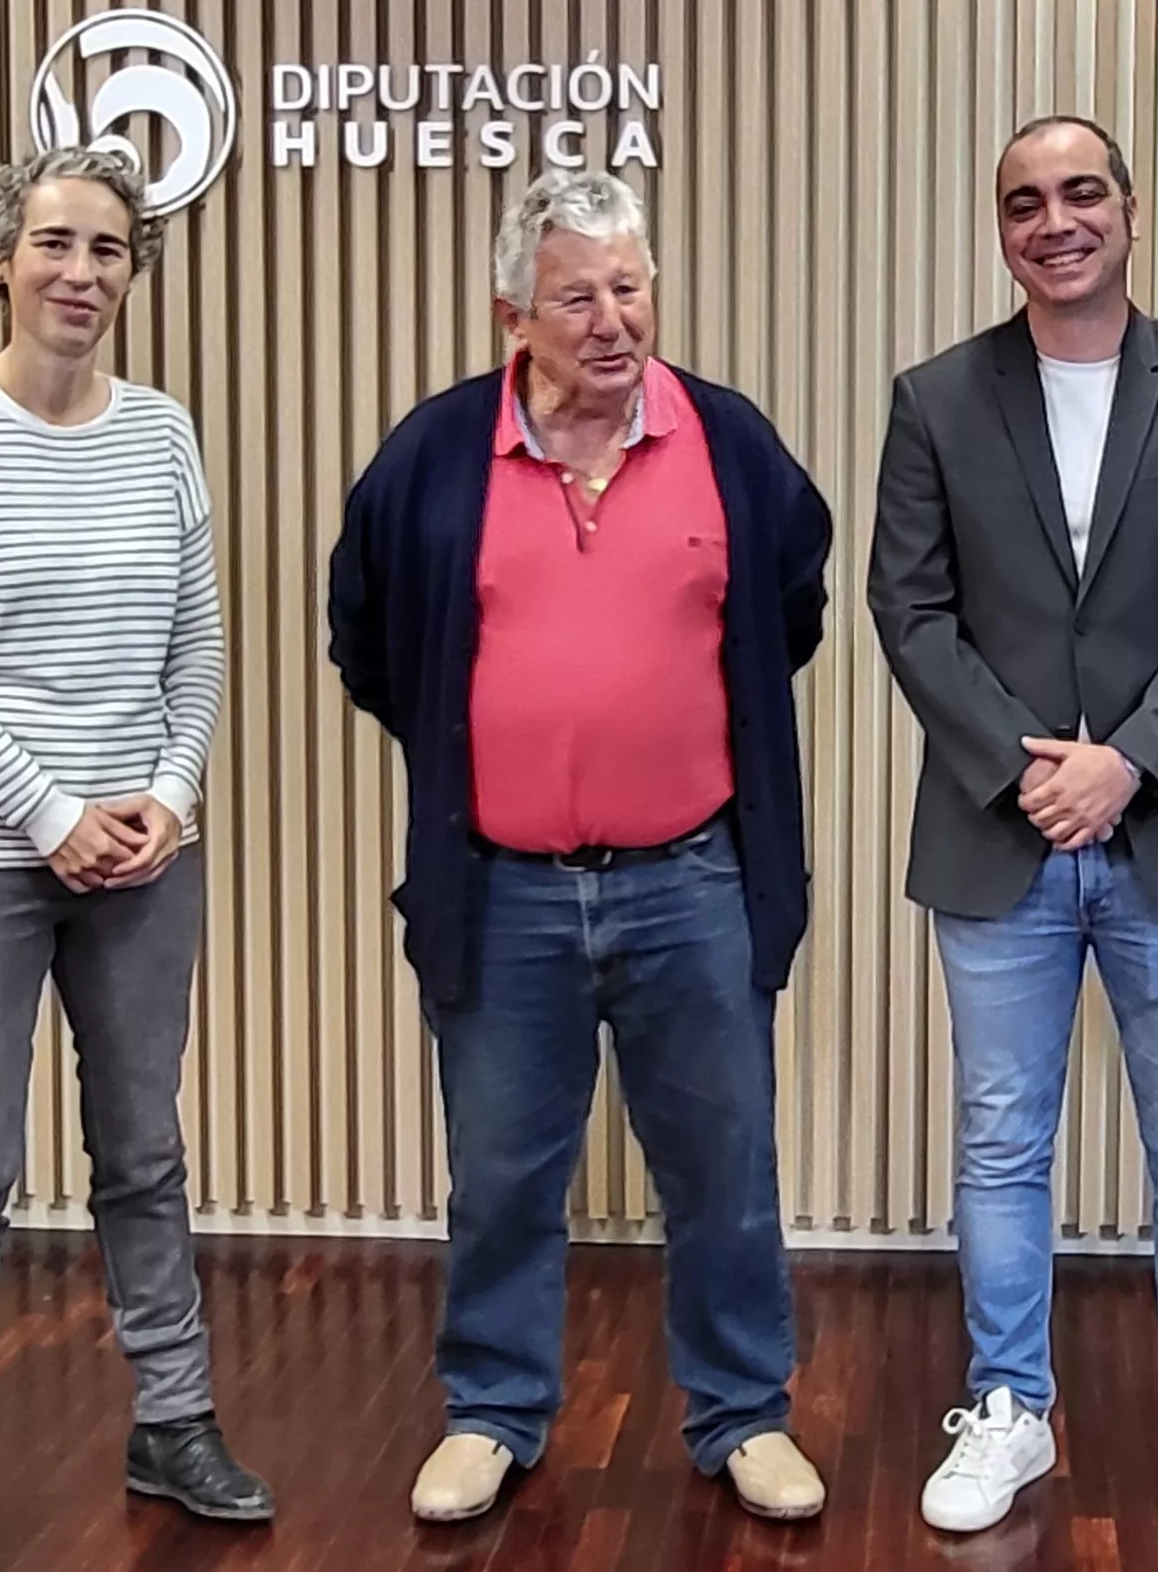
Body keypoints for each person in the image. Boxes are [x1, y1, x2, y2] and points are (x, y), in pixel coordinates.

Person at [327, 168, 835, 1528]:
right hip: (503, 894)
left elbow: (790, 603)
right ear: (514, 313)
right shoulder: (435, 455)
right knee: (499, 1177)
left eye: (629, 286)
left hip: (692, 880)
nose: (612, 319)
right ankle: (492, 1409)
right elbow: (368, 636)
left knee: (724, 1171)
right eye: (577, 295)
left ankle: (743, 1413)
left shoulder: (727, 443)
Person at [868, 116, 1158, 1552]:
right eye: (1022, 203)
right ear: (1001, 231)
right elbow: (908, 610)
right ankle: (1007, 1408)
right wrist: (1027, 771)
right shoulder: (933, 399)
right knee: (999, 1146)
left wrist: (1125, 765)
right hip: (999, 840)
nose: (1053, 221)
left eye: (1079, 194)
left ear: (1129, 208)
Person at [0, 146, 272, 1572]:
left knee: (143, 1153)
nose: (80, 273)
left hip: (142, 859)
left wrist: (164, 793)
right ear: (2, 258)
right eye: (53, 243)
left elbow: (197, 645)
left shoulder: (163, 432)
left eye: (108, 249)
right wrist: (47, 812)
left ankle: (173, 1419)